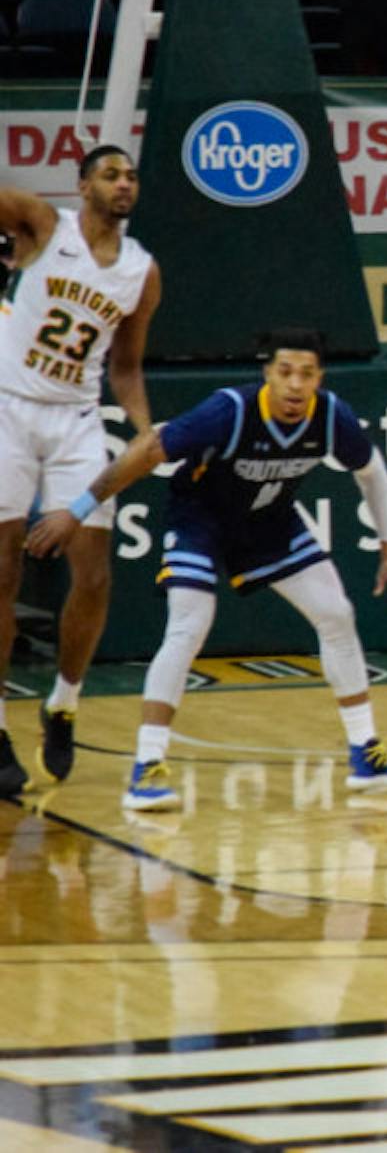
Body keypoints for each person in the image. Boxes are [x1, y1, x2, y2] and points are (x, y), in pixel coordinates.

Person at [24, 328, 387, 810]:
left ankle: (366, 752)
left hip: (270, 522)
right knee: (190, 624)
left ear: (320, 378)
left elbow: (372, 471)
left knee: (336, 613)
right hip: (201, 518)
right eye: (285, 373)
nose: (295, 385)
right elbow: (151, 448)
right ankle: (148, 765)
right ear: (267, 374)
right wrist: (78, 508)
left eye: (306, 374)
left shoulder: (331, 417)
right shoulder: (229, 411)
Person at [0, 146, 160, 799]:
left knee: (93, 571)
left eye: (130, 176)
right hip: (8, 408)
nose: (124, 184)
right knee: (3, 571)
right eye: (111, 174)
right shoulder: (43, 224)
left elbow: (125, 366)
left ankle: (63, 700)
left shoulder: (142, 271)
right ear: (82, 184)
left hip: (76, 419)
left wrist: (146, 429)